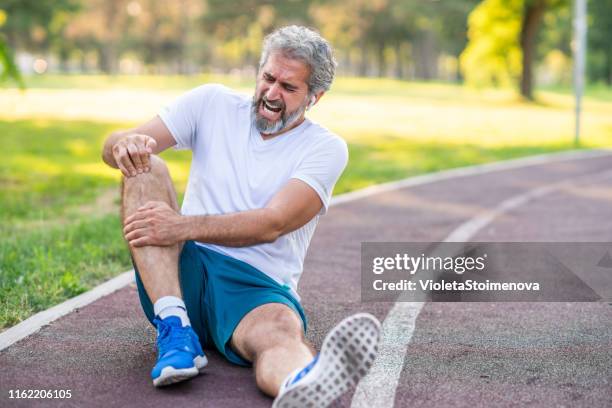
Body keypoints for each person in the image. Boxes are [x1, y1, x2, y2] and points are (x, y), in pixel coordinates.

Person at [101, 25, 380, 407]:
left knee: (282, 332)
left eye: (289, 87)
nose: (271, 93)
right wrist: (124, 144)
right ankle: (175, 328)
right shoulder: (210, 103)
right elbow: (112, 148)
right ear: (259, 70)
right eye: (268, 78)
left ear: (316, 96)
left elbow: (273, 224)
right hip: (178, 274)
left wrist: (179, 225)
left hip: (255, 286)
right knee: (144, 165)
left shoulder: (326, 148)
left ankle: (301, 385)